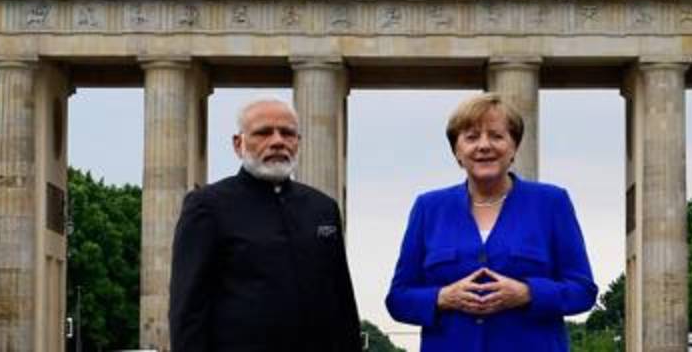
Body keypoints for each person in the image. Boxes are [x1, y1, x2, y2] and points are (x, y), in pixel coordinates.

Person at [385, 93, 598, 351]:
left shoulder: (552, 203)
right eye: (471, 137)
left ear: (514, 148)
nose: (484, 146)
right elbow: (398, 299)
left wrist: (528, 293)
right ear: (457, 151)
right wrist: (442, 297)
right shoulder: (428, 208)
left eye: (496, 136)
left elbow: (583, 291)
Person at [169, 98, 362, 352]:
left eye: (287, 133)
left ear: (298, 143)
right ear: (238, 144)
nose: (277, 141)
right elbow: (188, 307)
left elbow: (342, 301)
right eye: (263, 132)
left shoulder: (322, 207)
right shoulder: (207, 206)